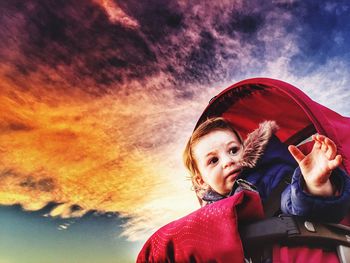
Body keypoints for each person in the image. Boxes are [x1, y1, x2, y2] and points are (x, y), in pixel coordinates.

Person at [183, 117, 350, 222]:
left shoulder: (270, 176)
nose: (228, 161)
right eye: (213, 160)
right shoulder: (208, 217)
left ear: (245, 149)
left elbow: (293, 202)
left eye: (233, 150)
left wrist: (314, 185)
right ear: (201, 180)